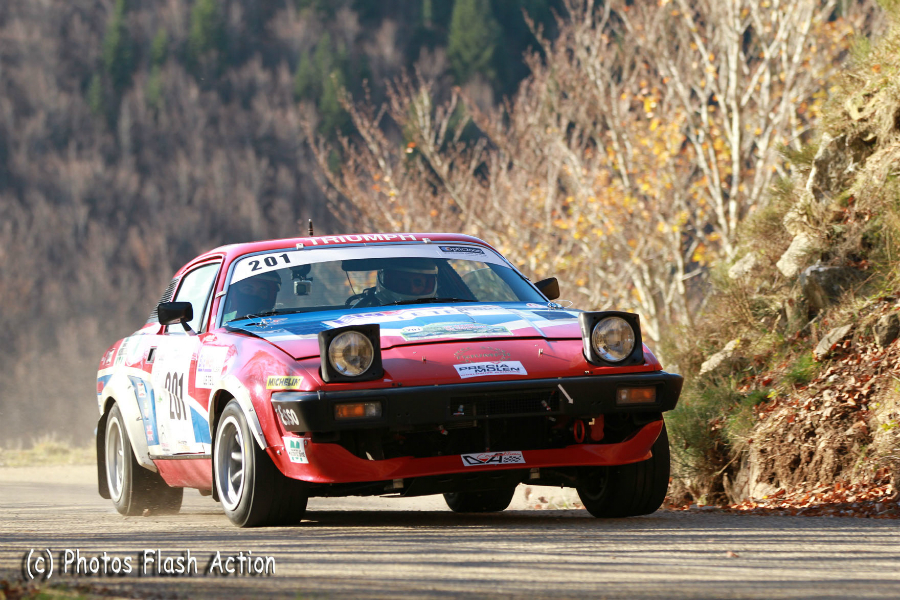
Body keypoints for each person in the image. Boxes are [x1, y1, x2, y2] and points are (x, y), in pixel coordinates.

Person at [373, 259, 439, 305]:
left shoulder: (441, 306)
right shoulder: (368, 308)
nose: (412, 289)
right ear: (391, 282)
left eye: (418, 283)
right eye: (404, 282)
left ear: (427, 285)